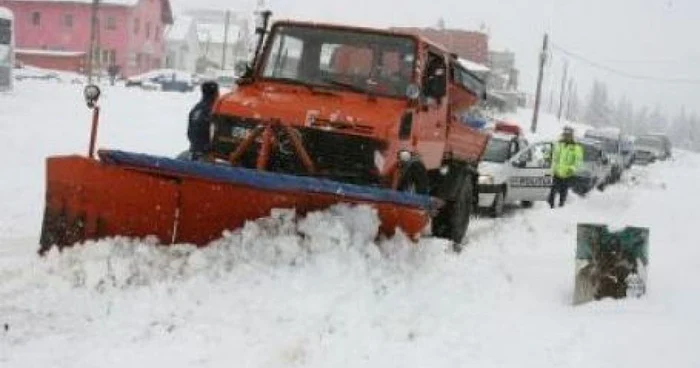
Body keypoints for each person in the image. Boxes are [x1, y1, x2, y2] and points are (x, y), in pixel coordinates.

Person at [548, 126, 583, 208]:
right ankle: (550, 207)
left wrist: (572, 169)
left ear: (572, 136)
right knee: (552, 191)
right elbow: (552, 155)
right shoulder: (558, 144)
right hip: (556, 172)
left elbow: (578, 162)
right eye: (565, 134)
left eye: (568, 135)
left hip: (567, 174)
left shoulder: (576, 148)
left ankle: (561, 206)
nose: (566, 136)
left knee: (563, 192)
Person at [187, 81, 220, 161]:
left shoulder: (196, 108)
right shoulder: (215, 110)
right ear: (216, 93)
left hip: (194, 150)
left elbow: (190, 131)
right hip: (207, 154)